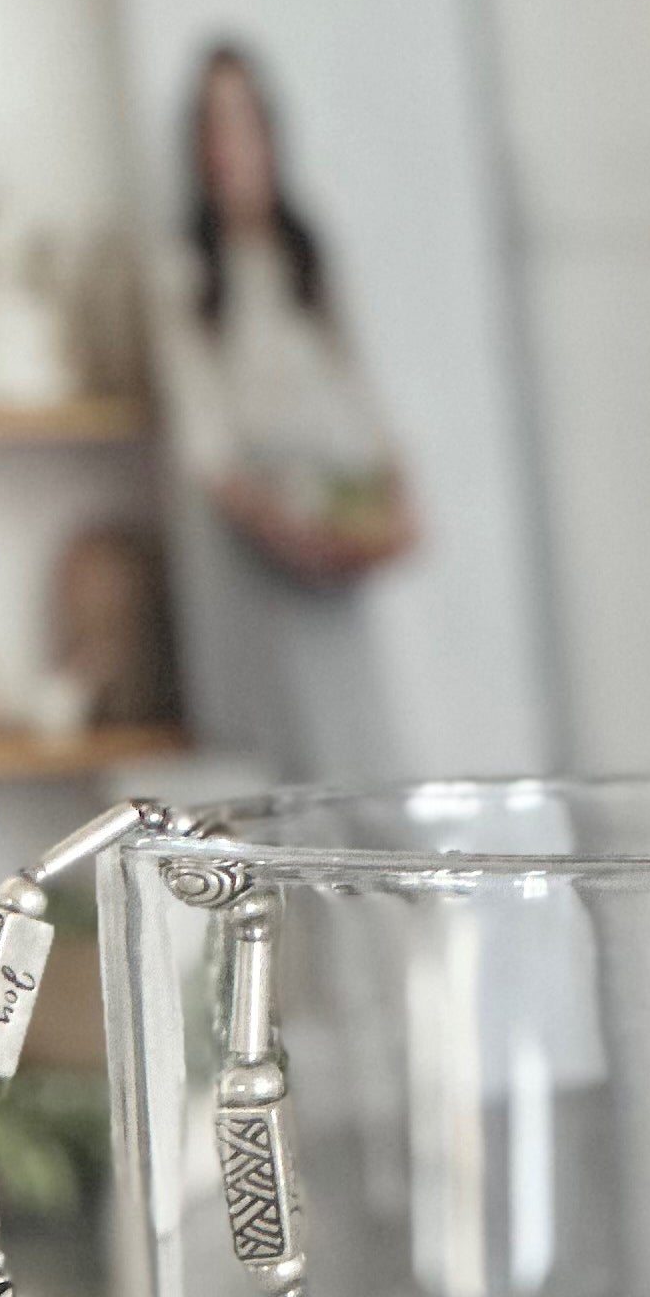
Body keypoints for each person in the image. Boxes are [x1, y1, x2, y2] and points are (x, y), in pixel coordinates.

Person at [164, 41, 416, 782]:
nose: (231, 146)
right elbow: (207, 450)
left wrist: (394, 506)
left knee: (364, 771)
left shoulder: (307, 258)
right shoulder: (186, 275)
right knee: (289, 780)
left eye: (244, 121)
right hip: (266, 571)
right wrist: (294, 536)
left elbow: (363, 397)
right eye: (215, 125)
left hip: (342, 559)